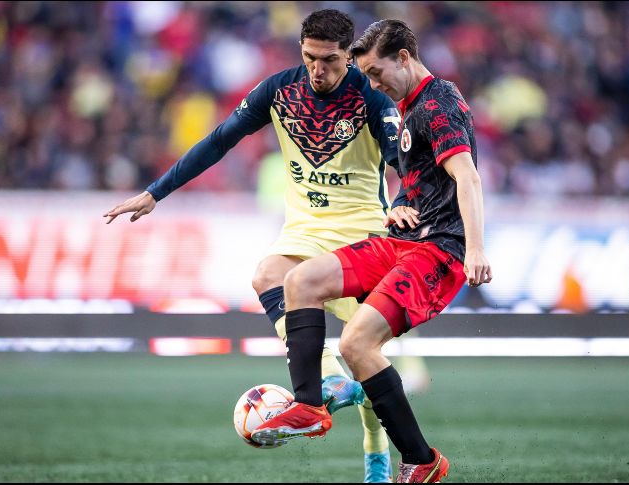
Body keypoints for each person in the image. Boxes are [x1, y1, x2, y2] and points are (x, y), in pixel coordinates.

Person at [103, 9, 421, 482]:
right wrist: (156, 192)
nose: (319, 69)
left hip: (364, 234)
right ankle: (328, 379)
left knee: (369, 363)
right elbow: (218, 141)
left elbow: (403, 158)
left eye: (330, 60)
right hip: (305, 232)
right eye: (310, 58)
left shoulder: (373, 98)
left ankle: (377, 460)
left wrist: (403, 202)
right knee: (267, 274)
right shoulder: (278, 91)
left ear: (349, 57)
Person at [251, 19, 493, 483]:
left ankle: (421, 461)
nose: (372, 83)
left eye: (377, 72)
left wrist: (475, 248)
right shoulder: (409, 105)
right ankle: (309, 407)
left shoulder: (436, 104)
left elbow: (468, 176)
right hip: (401, 241)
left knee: (356, 344)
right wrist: (402, 203)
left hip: (438, 252)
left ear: (404, 57)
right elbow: (416, 177)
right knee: (298, 280)